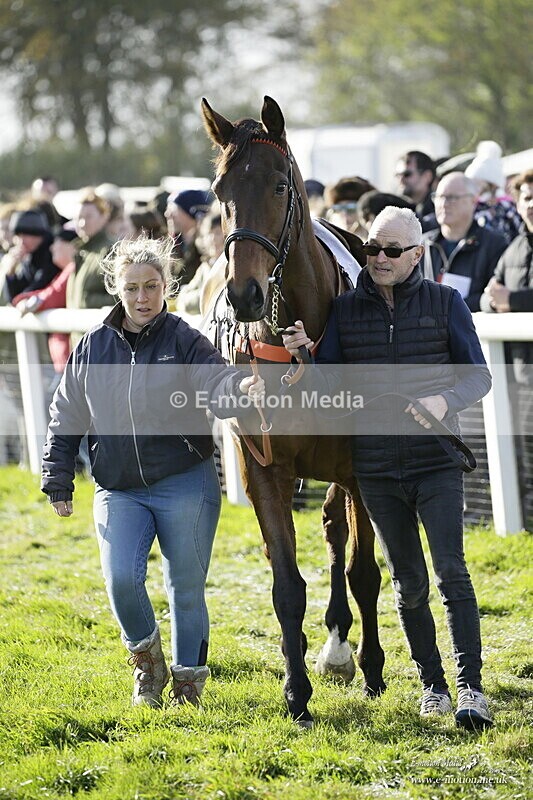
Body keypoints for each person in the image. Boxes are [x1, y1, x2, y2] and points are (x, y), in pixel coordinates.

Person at [282, 206, 493, 729]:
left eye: (391, 251)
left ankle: (471, 689)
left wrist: (445, 402)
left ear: (416, 255)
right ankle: (433, 686)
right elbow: (326, 385)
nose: (378, 258)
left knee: (451, 573)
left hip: (436, 461)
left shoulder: (446, 303)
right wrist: (303, 357)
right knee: (408, 579)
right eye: (372, 248)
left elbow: (479, 378)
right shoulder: (347, 311)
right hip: (375, 468)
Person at [41, 234, 265, 709]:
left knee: (184, 585)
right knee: (121, 578)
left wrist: (240, 390)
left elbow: (215, 382)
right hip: (118, 488)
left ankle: (188, 682)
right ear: (116, 290)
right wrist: (58, 476)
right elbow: (66, 416)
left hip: (185, 481)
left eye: (152, 286)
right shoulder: (93, 348)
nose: (142, 298)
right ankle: (147, 661)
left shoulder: (185, 339)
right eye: (132, 288)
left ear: (167, 286)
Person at [481, 170, 533, 523]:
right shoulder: (512, 247)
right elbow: (489, 298)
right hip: (517, 375)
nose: (532, 205)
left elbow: (505, 297)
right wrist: (495, 301)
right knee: (524, 455)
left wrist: (512, 299)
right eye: (527, 197)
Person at [422, 172, 507, 311]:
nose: (444, 204)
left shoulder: (494, 245)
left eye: (452, 198)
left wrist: (451, 308)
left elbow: (493, 295)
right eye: (439, 197)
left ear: (473, 201)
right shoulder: (421, 245)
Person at [12, 225, 79, 374]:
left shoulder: (72, 269)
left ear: (71, 247)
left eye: (57, 243)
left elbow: (52, 295)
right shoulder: (65, 271)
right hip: (69, 359)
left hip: (72, 360)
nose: (52, 248)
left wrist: (24, 300)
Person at [67, 189, 115, 344]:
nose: (82, 223)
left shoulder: (111, 251)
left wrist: (87, 301)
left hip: (102, 345)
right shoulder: (82, 253)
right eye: (79, 217)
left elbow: (122, 298)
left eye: (88, 217)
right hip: (79, 342)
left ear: (104, 217)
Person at [465, 141, 522, 245]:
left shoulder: (508, 208)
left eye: (479, 182)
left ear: (492, 184)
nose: (475, 187)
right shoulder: (471, 207)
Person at [1, 210, 59, 302]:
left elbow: (38, 287)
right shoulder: (30, 255)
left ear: (37, 234)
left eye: (25, 236)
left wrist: (20, 299)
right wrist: (11, 272)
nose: (21, 242)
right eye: (18, 236)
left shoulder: (52, 253)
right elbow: (12, 297)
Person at [165, 189, 212, 286]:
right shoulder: (172, 246)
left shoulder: (209, 248)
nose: (168, 214)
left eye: (174, 210)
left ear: (192, 213)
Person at [395, 150, 436, 230]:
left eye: (407, 174)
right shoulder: (399, 210)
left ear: (427, 176)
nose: (401, 180)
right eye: (398, 175)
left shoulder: (440, 207)